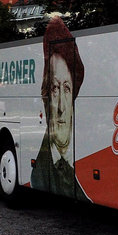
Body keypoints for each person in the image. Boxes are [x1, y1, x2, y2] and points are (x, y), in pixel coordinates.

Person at [33, 16, 87, 200]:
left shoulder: (80, 175)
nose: (62, 108)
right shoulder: (38, 172)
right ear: (46, 97)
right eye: (55, 89)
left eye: (67, 89)